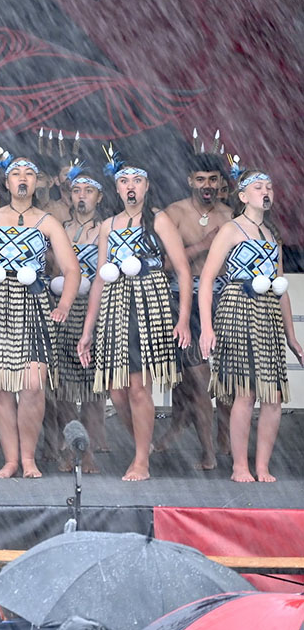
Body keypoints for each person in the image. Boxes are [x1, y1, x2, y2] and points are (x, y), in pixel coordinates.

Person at [0, 153, 80, 479]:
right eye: (17, 174)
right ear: (7, 182)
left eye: (29, 174)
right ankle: (11, 460)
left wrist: (64, 305)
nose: (23, 179)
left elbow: (72, 269)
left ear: (38, 181)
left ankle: (28, 458)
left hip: (33, 306)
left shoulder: (47, 222)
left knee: (32, 384)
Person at [78, 156, 192, 482]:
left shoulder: (158, 220)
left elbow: (182, 269)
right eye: (125, 182)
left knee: (139, 387)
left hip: (149, 305)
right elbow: (100, 278)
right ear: (117, 188)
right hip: (115, 308)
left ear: (146, 186)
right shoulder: (108, 226)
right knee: (117, 392)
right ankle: (145, 442)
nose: (131, 187)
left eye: (137, 181)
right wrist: (88, 330)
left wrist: (182, 318)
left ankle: (141, 459)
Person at [199, 168, 301, 482]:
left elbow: (280, 288)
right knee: (245, 392)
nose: (265, 191)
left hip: (268, 312)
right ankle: (240, 465)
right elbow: (206, 281)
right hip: (238, 309)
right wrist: (206, 326)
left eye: (269, 186)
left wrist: (292, 338)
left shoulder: (273, 235)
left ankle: (263, 466)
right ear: (243, 196)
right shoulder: (230, 230)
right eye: (258, 187)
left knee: (273, 395)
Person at [157, 154, 233, 469]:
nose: (207, 186)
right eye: (200, 179)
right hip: (183, 300)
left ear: (221, 183)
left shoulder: (230, 216)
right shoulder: (174, 214)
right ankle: (205, 448)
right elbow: (162, 264)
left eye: (213, 179)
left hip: (224, 300)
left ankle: (224, 434)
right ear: (190, 180)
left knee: (230, 375)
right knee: (193, 377)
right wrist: (203, 246)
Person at [49, 166, 105, 473]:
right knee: (65, 389)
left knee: (94, 389)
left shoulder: (106, 230)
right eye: (77, 191)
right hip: (65, 310)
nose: (81, 196)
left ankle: (91, 451)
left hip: (97, 310)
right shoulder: (59, 230)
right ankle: (70, 449)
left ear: (99, 196)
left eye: (88, 191)